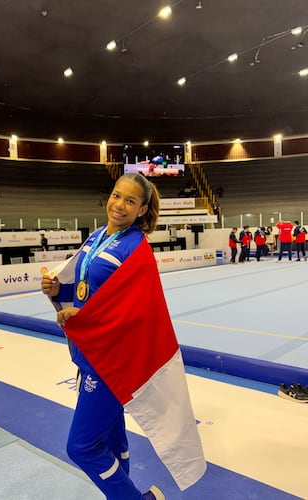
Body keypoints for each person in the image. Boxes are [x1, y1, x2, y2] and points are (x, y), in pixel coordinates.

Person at [42, 173, 205, 499]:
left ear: (142, 209)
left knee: (82, 446)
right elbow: (90, 289)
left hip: (112, 358)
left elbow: (137, 312)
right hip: (90, 352)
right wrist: (62, 289)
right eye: (117, 196)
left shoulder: (136, 248)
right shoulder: (97, 237)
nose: (119, 205)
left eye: (130, 201)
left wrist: (85, 316)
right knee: (112, 439)